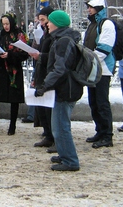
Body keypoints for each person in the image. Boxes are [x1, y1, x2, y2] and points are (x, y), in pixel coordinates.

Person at [35, 10, 83, 171]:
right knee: (58, 126)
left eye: (50, 21)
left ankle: (70, 160)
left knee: (61, 127)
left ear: (58, 24)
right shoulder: (63, 39)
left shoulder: (63, 41)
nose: (47, 24)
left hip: (65, 89)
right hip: (66, 88)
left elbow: (60, 69)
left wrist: (44, 86)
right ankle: (64, 154)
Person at [83, 0, 116, 148]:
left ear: (99, 9)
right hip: (94, 68)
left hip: (103, 69)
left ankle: (107, 135)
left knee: (102, 103)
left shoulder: (106, 24)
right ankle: (100, 131)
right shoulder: (93, 24)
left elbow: (104, 48)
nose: (89, 10)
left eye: (91, 7)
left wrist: (90, 61)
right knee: (94, 103)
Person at [29, 6, 56, 149]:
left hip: (49, 73)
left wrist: (40, 55)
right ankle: (47, 133)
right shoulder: (46, 33)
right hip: (41, 70)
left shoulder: (55, 36)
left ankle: (53, 136)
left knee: (49, 108)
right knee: (41, 107)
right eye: (40, 20)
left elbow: (54, 56)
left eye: (43, 20)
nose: (42, 23)